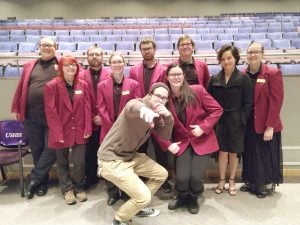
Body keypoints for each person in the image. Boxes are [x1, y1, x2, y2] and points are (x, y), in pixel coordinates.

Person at [98, 82, 174, 225]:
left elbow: (165, 135)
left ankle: (137, 207)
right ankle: (120, 219)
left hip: (130, 156)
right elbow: (132, 106)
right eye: (157, 95)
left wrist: (168, 117)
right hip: (111, 159)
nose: (160, 100)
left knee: (161, 174)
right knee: (143, 197)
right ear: (150, 95)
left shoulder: (158, 113)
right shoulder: (137, 104)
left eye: (164, 98)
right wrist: (145, 110)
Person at [157, 64, 223, 214]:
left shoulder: (197, 90)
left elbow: (217, 110)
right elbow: (158, 126)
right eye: (172, 74)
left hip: (202, 140)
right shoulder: (165, 99)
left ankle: (193, 197)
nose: (176, 77)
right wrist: (167, 143)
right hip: (183, 142)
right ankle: (182, 196)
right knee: (182, 177)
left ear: (184, 76)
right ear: (167, 77)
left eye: (179, 74)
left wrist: (203, 127)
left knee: (196, 176)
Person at [11, 37, 58, 199]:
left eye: (50, 45)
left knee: (52, 148)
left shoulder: (62, 65)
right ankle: (41, 183)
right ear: (39, 47)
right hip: (31, 115)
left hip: (53, 116)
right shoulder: (30, 66)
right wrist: (16, 107)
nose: (46, 47)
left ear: (55, 48)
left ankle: (35, 179)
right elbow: (21, 88)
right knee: (37, 149)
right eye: (43, 45)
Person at [44, 56, 92, 204]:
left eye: (73, 65)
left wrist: (88, 127)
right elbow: (50, 111)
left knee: (79, 162)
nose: (71, 68)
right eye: (67, 65)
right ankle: (67, 189)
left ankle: (79, 187)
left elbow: (87, 107)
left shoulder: (82, 84)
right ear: (61, 68)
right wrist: (57, 132)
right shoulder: (51, 86)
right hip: (60, 129)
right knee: (62, 161)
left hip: (79, 129)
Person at [207, 44, 253, 196]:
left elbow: (248, 103)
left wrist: (241, 118)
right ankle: (221, 180)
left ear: (235, 59)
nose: (226, 61)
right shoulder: (214, 78)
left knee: (233, 152)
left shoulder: (244, 78)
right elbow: (208, 101)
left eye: (229, 58)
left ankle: (232, 180)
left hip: (236, 121)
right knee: (222, 151)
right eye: (223, 59)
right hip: (219, 122)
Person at [240, 41, 284, 198]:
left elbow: (276, 101)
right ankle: (251, 181)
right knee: (251, 153)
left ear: (262, 54)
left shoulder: (272, 73)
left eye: (256, 52)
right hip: (249, 122)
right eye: (250, 52)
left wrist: (270, 126)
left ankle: (263, 184)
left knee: (264, 154)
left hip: (266, 123)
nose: (253, 55)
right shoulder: (243, 74)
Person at [97, 52, 141, 206]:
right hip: (109, 130)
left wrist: (124, 126)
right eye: (114, 62)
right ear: (110, 65)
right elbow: (101, 107)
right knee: (110, 161)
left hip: (128, 130)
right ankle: (113, 192)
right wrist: (112, 127)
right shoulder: (101, 85)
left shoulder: (133, 84)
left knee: (128, 161)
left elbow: (137, 105)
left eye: (119, 61)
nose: (117, 64)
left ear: (124, 64)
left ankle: (130, 192)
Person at [129, 38, 171, 193]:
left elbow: (167, 93)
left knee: (161, 148)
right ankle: (140, 179)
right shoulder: (134, 70)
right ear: (140, 51)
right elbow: (134, 93)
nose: (147, 51)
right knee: (141, 148)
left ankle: (164, 180)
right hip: (142, 115)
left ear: (154, 50)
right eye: (143, 49)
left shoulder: (164, 70)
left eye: (149, 48)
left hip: (158, 114)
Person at [78, 45, 111, 189]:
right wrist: (92, 116)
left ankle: (109, 178)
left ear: (102, 56)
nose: (95, 57)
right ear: (87, 57)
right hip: (88, 120)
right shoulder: (79, 76)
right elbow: (80, 100)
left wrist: (102, 117)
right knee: (89, 151)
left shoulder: (111, 73)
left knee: (107, 150)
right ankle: (91, 177)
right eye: (92, 54)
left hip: (107, 120)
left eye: (97, 54)